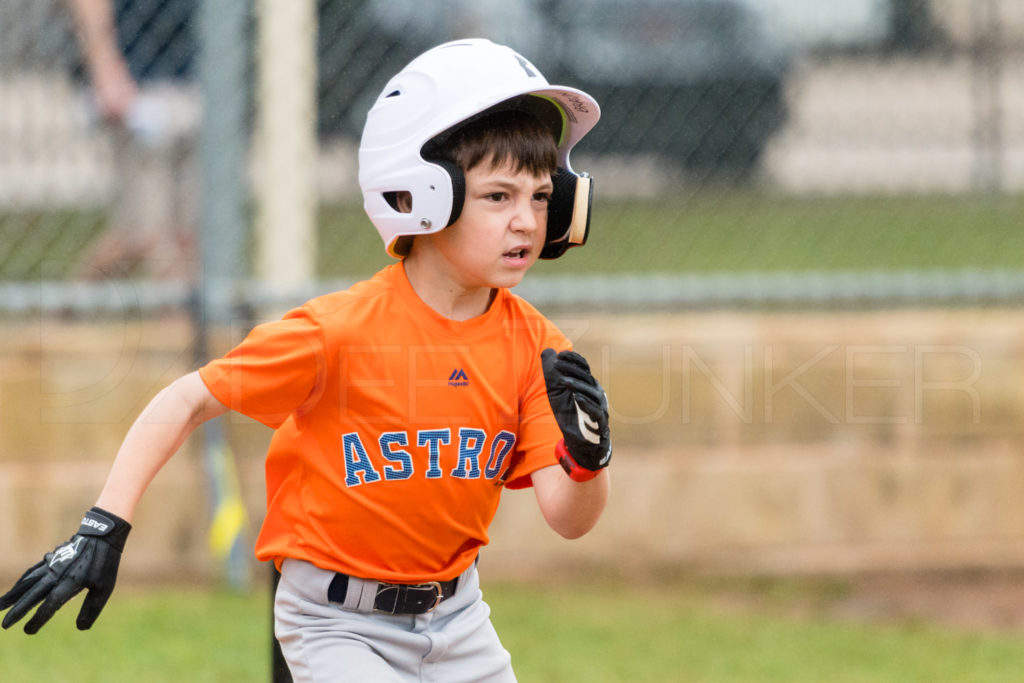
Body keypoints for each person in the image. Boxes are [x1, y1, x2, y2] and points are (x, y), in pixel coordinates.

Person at [0, 38, 611, 682]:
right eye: (498, 197)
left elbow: (569, 520)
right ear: (422, 193)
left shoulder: (539, 349)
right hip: (335, 623)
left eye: (541, 197)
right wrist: (104, 526)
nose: (527, 221)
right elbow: (184, 400)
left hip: (458, 619)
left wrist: (587, 459)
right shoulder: (338, 330)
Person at [65, 0, 200, 280]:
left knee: (189, 234)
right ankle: (69, 303)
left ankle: (181, 313)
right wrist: (104, 66)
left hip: (195, 77)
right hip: (137, 85)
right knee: (142, 235)